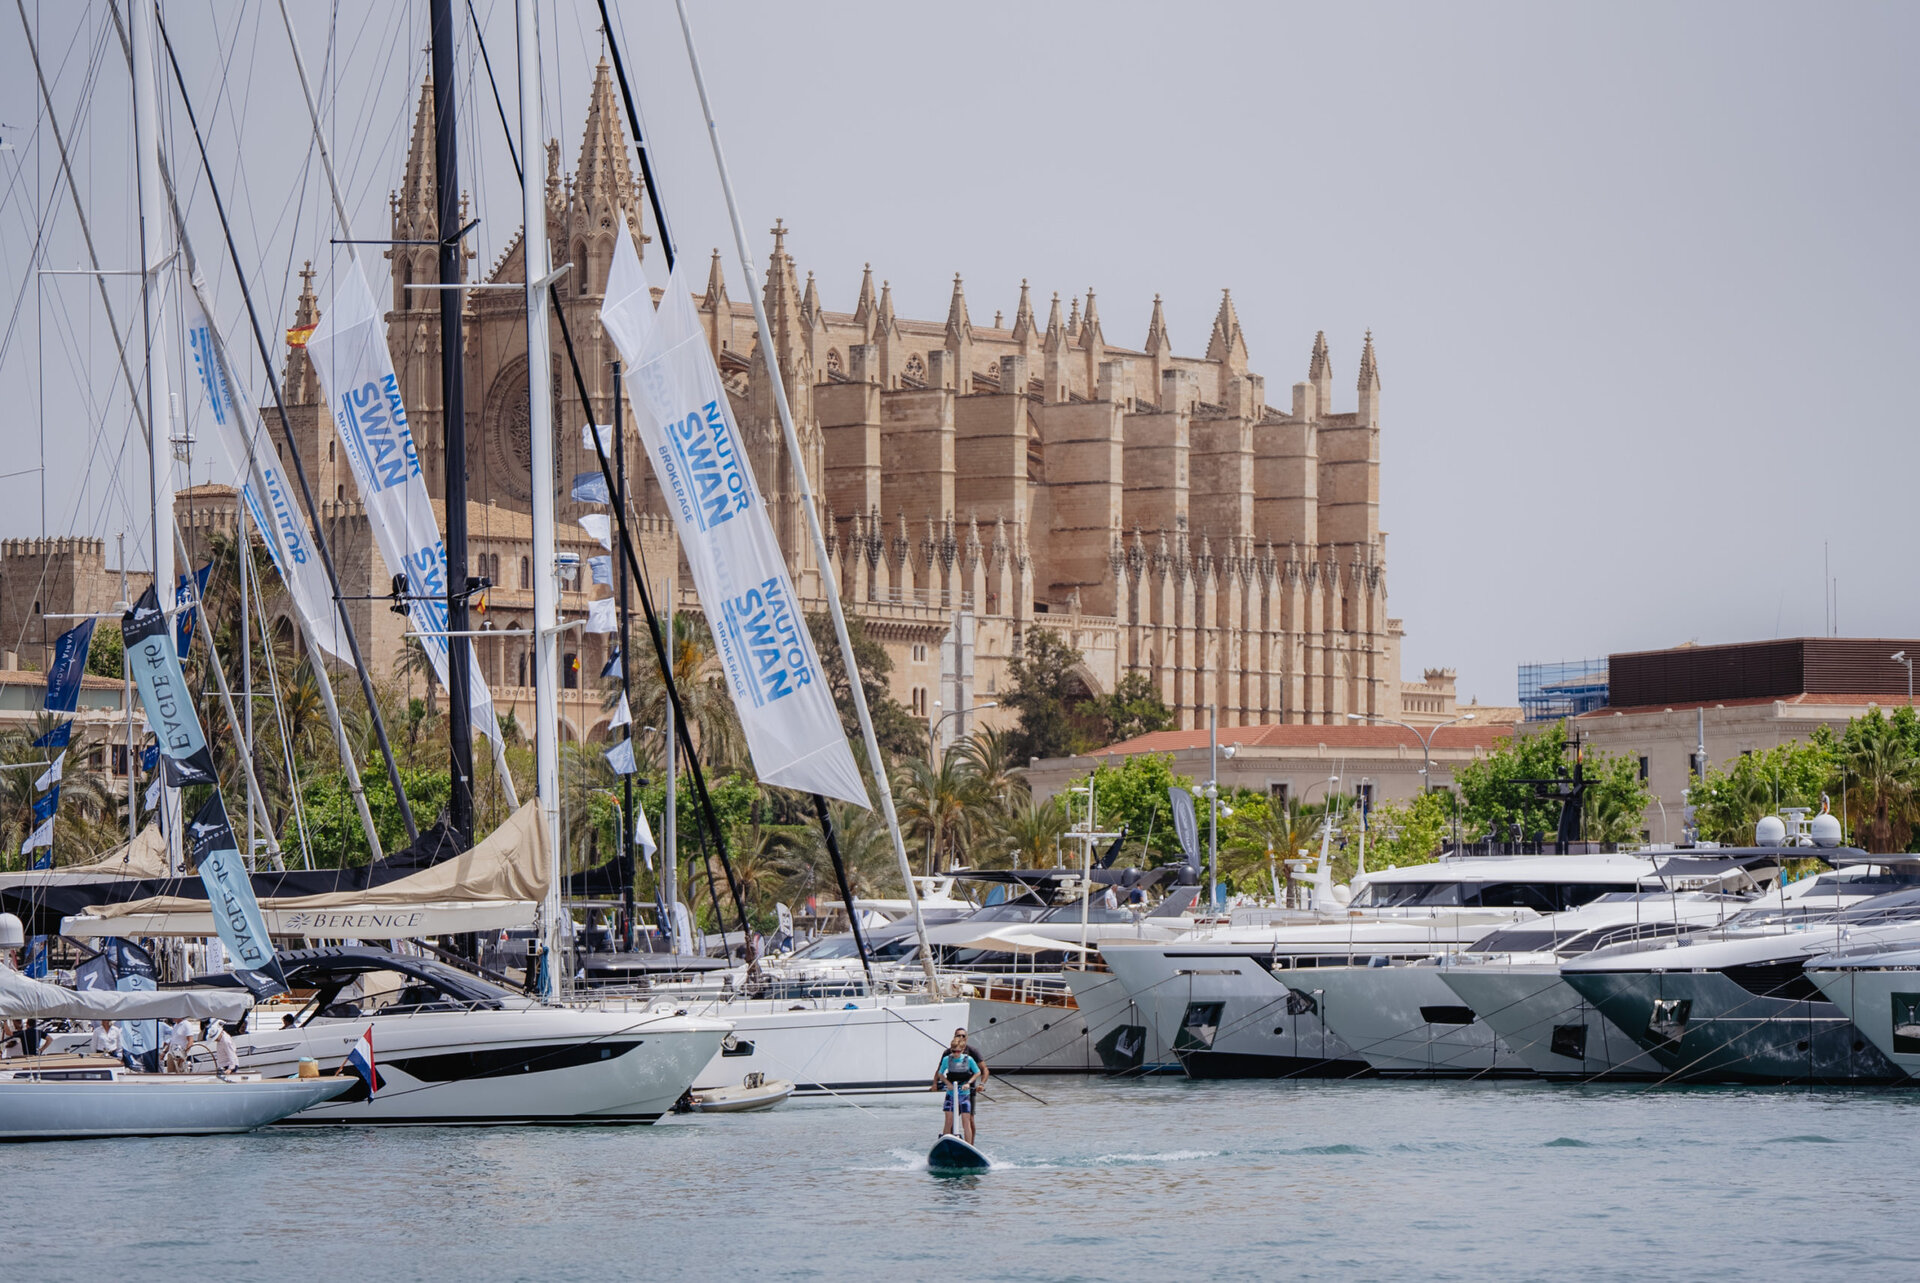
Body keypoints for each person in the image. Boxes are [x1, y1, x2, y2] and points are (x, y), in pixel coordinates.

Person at [930, 1027, 988, 1145]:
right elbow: (940, 1072)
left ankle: (970, 1145)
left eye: (963, 1036)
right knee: (949, 1120)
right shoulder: (947, 1056)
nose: (956, 1053)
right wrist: (937, 1084)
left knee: (968, 1120)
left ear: (963, 1049)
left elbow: (981, 1071)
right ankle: (948, 1144)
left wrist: (978, 1084)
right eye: (953, 1051)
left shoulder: (971, 1054)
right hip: (951, 1092)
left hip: (966, 1091)